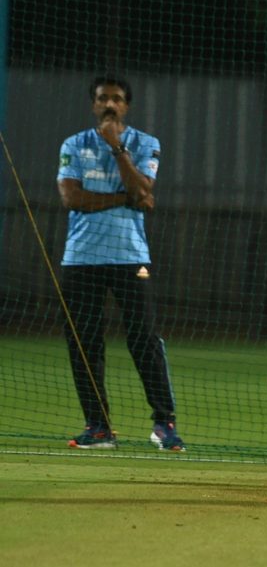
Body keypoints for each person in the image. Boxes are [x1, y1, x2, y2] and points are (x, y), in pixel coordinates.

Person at [57, 74, 184, 451]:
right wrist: (122, 198)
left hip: (130, 257)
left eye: (115, 98)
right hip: (80, 259)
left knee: (144, 340)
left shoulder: (145, 143)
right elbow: (71, 198)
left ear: (126, 105)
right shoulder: (73, 144)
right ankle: (98, 427)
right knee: (84, 343)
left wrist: (116, 148)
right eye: (102, 98)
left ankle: (164, 424)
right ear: (93, 104)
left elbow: (143, 190)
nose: (109, 104)